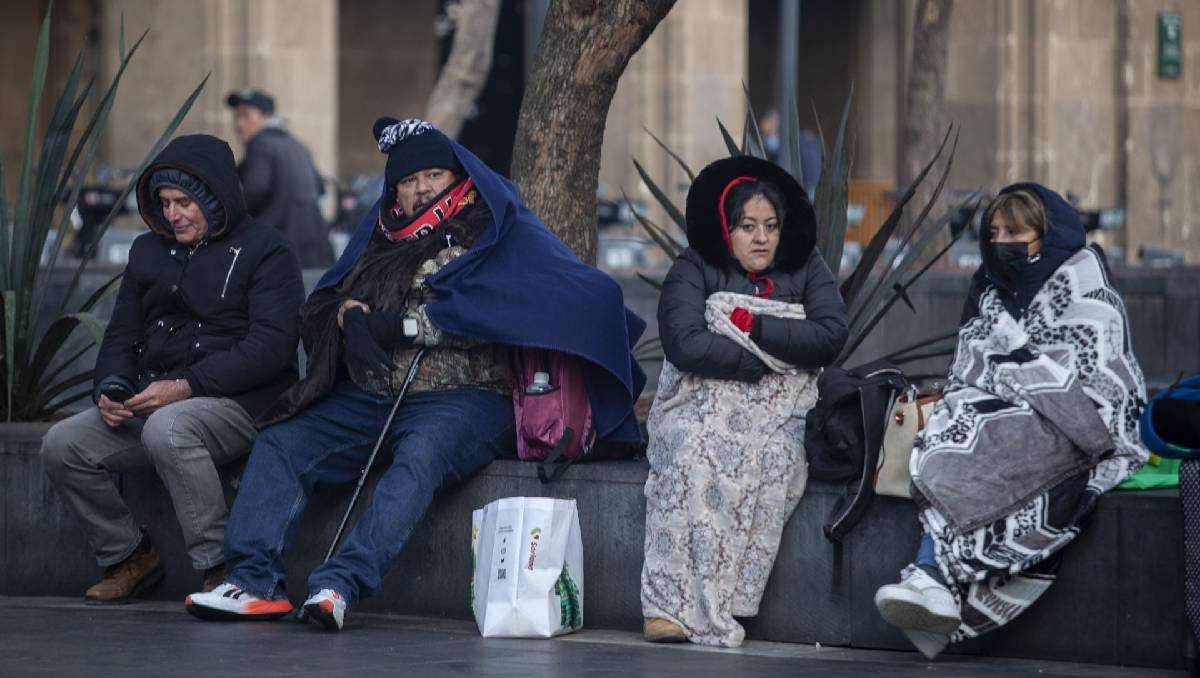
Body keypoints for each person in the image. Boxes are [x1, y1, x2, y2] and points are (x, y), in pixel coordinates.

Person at [184, 118, 646, 631]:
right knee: (283, 442)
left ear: (459, 179)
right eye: (409, 180)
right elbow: (330, 299)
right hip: (375, 395)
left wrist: (401, 326)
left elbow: (513, 309)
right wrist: (348, 320)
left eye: (434, 175)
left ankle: (339, 584)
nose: (422, 187)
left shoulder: (496, 231)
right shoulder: (381, 236)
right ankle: (253, 582)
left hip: (468, 398)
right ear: (395, 191)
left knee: (420, 457)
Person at [873, 184, 1148, 659]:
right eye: (994, 232)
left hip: (1074, 420)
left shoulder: (1085, 284)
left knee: (990, 444)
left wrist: (1027, 381)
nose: (1002, 241)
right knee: (946, 436)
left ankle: (933, 576)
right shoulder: (989, 289)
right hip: (996, 407)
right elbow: (972, 359)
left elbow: (1104, 378)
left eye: (1016, 232)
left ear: (1046, 235)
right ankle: (934, 583)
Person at [40, 134, 305, 603]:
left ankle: (220, 570)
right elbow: (122, 333)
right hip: (157, 398)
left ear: (215, 198)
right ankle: (129, 556)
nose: (173, 214)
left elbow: (272, 346)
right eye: (164, 202)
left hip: (243, 403)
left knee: (169, 428)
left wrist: (188, 386)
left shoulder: (269, 250)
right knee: (63, 443)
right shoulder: (147, 250)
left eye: (185, 202)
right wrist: (113, 387)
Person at [640, 156, 849, 647]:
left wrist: (753, 326)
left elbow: (829, 334)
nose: (761, 238)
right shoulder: (695, 266)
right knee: (691, 450)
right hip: (698, 401)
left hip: (781, 410)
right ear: (725, 228)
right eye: (747, 226)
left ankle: (729, 600)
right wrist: (754, 362)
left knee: (774, 461)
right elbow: (684, 342)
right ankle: (667, 606)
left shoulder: (807, 266)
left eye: (771, 227)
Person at [227, 88, 334, 268]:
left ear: (266, 117)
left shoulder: (260, 144)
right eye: (236, 117)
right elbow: (321, 189)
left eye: (246, 116)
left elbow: (254, 190)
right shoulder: (298, 145)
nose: (239, 123)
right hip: (314, 251)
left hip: (278, 250)